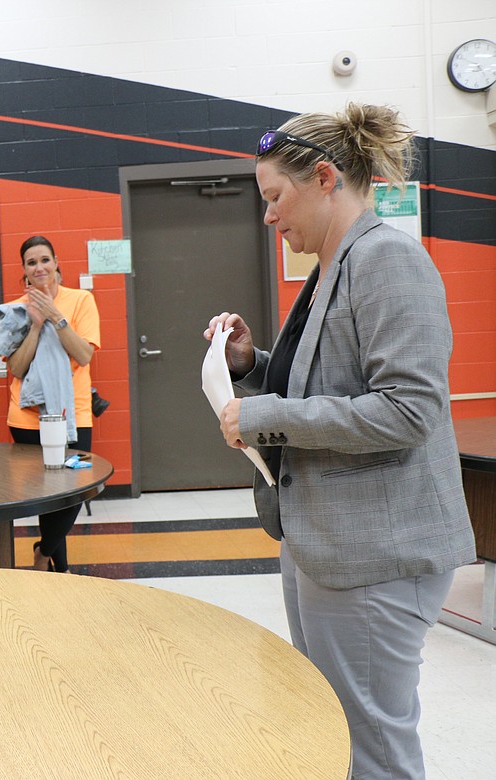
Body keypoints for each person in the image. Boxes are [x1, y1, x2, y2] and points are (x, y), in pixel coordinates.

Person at [204, 103, 476, 780]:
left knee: (373, 749)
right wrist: (251, 364)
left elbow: (407, 411)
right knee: (337, 732)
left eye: (274, 197)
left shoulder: (388, 260)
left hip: (375, 554)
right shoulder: (331, 267)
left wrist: (264, 413)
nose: (268, 216)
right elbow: (328, 382)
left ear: (325, 178)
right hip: (325, 541)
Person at [1, 236, 99, 573]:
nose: (39, 267)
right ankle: (61, 569)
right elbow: (15, 367)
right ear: (24, 271)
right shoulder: (14, 309)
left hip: (74, 414)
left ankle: (43, 552)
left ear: (56, 263)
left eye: (44, 260)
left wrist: (55, 316)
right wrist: (35, 324)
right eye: (31, 262)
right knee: (48, 496)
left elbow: (84, 354)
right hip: (28, 419)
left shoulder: (80, 300)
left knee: (73, 491)